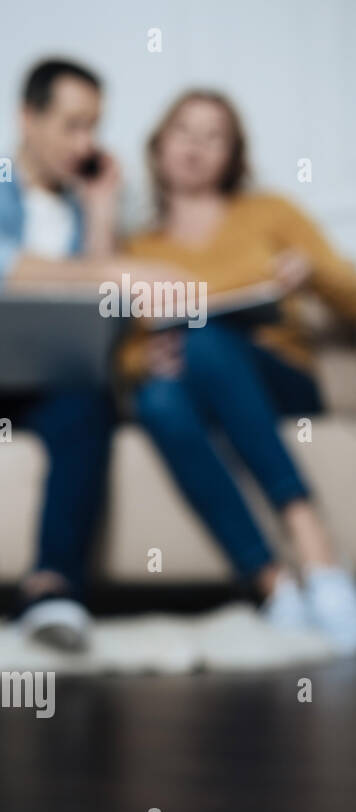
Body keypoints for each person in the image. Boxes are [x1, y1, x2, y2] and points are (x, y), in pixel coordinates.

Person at [0, 58, 176, 651]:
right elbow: (4, 271)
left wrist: (102, 211)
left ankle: (52, 585)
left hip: (59, 381)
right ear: (27, 117)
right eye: (73, 125)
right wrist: (114, 271)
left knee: (89, 406)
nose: (86, 143)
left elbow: (109, 309)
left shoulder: (83, 214)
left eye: (94, 128)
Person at [118, 90, 356, 651]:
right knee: (157, 398)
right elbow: (120, 351)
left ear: (233, 154)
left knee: (204, 338)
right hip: (193, 385)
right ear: (159, 146)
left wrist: (312, 271)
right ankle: (275, 586)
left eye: (213, 135)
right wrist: (145, 358)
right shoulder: (138, 247)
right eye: (184, 131)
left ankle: (313, 547)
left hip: (282, 378)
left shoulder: (270, 212)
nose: (196, 146)